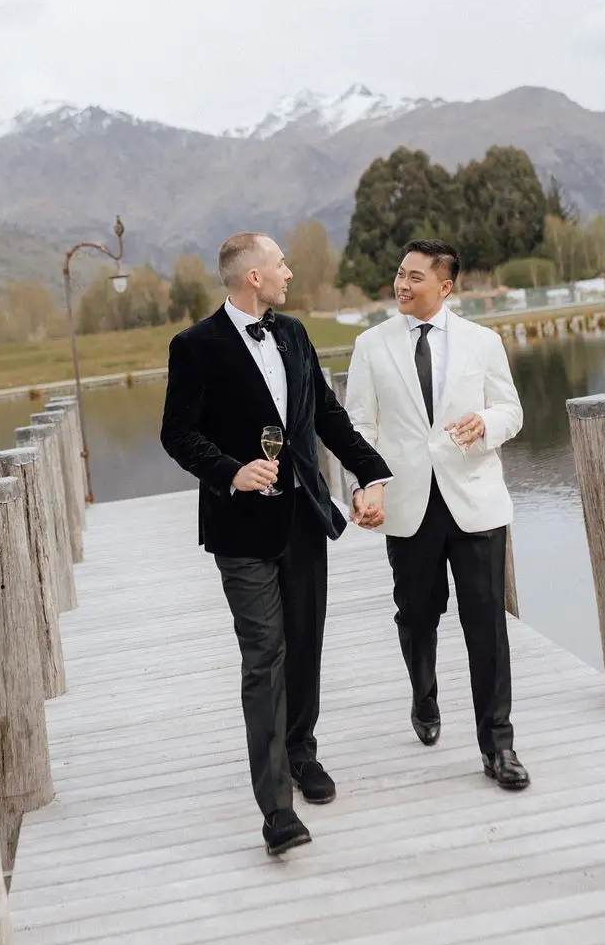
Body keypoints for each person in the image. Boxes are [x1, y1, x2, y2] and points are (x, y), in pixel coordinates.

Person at [160, 232, 391, 855]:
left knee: (305, 644)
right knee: (264, 656)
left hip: (303, 519)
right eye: (280, 263)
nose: (289, 272)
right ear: (254, 277)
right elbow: (177, 434)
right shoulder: (195, 346)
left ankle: (302, 752)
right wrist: (230, 471)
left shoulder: (292, 334)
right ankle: (276, 811)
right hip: (240, 529)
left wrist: (371, 472)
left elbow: (327, 416)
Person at [345, 238, 530, 790]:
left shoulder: (483, 341)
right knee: (416, 615)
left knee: (487, 626)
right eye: (400, 274)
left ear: (445, 286)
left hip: (475, 502)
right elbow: (359, 427)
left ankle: (498, 746)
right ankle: (423, 693)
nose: (401, 285)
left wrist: (486, 424)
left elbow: (511, 411)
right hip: (408, 505)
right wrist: (367, 486)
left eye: (415, 277)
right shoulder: (371, 345)